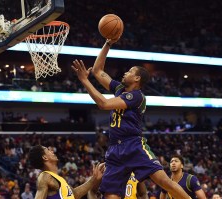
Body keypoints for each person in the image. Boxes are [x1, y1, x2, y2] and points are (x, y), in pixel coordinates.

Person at [72, 38, 190, 199]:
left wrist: (84, 80)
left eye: (129, 72)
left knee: (164, 181)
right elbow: (98, 71)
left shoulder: (137, 96)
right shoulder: (120, 89)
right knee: (110, 195)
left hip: (133, 145)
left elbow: (103, 103)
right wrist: (108, 43)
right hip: (114, 149)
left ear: (137, 79)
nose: (125, 73)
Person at [28, 145, 105, 199]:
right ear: (44, 157)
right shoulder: (45, 177)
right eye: (47, 150)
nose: (51, 150)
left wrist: (94, 178)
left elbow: (75, 194)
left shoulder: (59, 178)